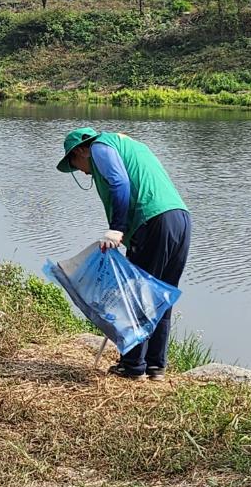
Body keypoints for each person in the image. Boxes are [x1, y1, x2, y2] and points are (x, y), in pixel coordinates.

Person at [57, 127, 191, 381]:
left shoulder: (99, 147)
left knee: (135, 294)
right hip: (181, 219)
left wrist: (116, 230)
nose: (83, 172)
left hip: (153, 221)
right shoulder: (131, 145)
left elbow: (119, 182)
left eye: (75, 163)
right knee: (160, 294)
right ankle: (155, 366)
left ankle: (132, 366)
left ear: (81, 150)